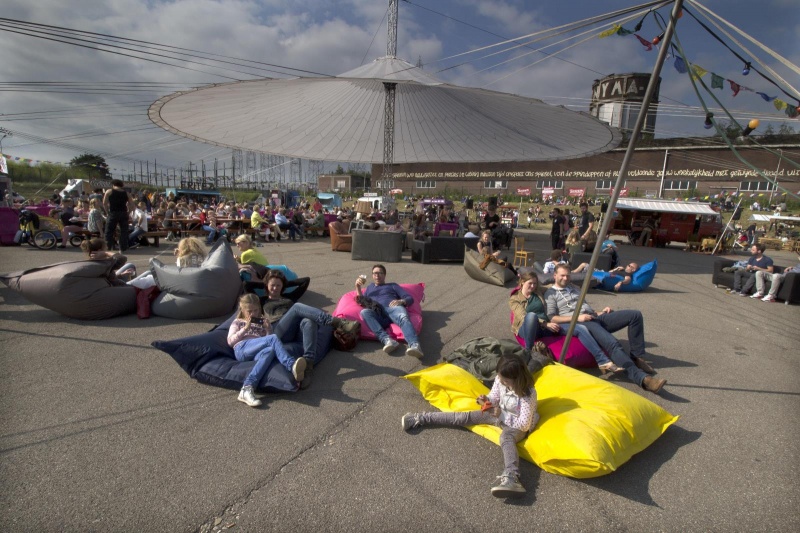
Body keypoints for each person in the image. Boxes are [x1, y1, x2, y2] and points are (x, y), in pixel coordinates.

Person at [401, 353, 538, 498]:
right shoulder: (500, 378)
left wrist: (501, 415)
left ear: (517, 379)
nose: (502, 382)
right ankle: (421, 418)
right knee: (463, 417)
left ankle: (512, 477)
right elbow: (494, 396)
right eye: (501, 379)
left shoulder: (528, 393)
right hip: (498, 413)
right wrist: (486, 399)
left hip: (516, 425)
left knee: (505, 438)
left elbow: (524, 424)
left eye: (506, 381)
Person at [544, 264, 666, 394]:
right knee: (613, 344)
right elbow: (552, 318)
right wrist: (577, 318)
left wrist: (600, 312)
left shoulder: (575, 288)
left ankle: (637, 357)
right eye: (562, 275)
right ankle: (643, 379)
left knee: (635, 315)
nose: (565, 278)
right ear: (555, 275)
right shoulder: (550, 293)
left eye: (568, 275)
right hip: (582, 323)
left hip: (594, 317)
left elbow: (586, 308)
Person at [258, 270, 359, 388]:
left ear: (283, 287)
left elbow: (305, 281)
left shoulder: (288, 300)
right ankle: (338, 323)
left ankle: (308, 367)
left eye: (278, 285)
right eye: (272, 285)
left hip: (292, 330)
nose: (275, 288)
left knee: (309, 321)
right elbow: (246, 286)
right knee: (297, 307)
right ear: (266, 285)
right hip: (276, 330)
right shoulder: (262, 300)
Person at [510, 272, 623, 375]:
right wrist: (545, 324)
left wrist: (569, 285)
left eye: (535, 283)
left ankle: (602, 360)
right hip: (527, 328)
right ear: (522, 282)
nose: (533, 286)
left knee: (580, 328)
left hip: (545, 328)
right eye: (530, 283)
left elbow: (555, 287)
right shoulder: (514, 299)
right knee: (531, 316)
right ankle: (528, 353)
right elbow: (523, 316)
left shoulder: (539, 291)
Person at [227, 294, 307, 407]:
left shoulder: (260, 323)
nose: (253, 314)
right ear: (243, 310)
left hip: (256, 351)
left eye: (255, 310)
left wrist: (268, 328)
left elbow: (267, 341)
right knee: (273, 338)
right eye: (249, 311)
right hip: (242, 348)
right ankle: (291, 365)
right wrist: (245, 329)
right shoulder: (238, 322)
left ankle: (247, 388)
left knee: (270, 350)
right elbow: (230, 341)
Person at [355, 264, 423, 358]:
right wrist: (358, 287)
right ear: (372, 275)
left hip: (393, 309)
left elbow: (409, 298)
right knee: (364, 312)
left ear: (385, 275)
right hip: (378, 312)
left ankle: (415, 345)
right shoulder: (370, 287)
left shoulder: (392, 285)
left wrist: (401, 301)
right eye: (375, 273)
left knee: (403, 318)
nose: (377, 275)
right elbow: (362, 300)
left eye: (380, 273)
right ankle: (387, 340)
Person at [103, 179, 131, 252]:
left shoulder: (109, 191)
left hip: (113, 212)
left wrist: (107, 212)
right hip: (123, 212)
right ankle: (123, 248)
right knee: (124, 231)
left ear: (113, 184)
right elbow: (132, 204)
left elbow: (104, 203)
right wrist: (128, 212)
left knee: (109, 231)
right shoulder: (126, 193)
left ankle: (107, 248)